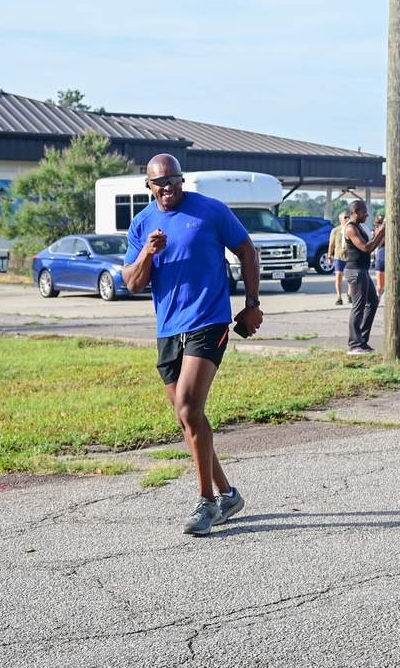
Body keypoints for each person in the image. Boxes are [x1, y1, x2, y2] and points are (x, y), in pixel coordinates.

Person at [122, 154, 263, 536]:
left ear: (183, 180)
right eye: (159, 182)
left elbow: (248, 252)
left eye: (173, 180)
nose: (167, 187)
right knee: (188, 417)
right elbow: (132, 283)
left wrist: (252, 305)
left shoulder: (211, 211)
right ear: (148, 187)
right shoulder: (141, 224)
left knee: (187, 407)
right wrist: (147, 253)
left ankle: (206, 504)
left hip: (209, 321)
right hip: (168, 328)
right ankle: (229, 494)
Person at [343, 200, 385, 354]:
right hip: (355, 271)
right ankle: (354, 344)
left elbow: (372, 241)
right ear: (355, 212)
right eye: (363, 212)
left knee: (372, 303)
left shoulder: (361, 226)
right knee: (358, 307)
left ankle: (362, 340)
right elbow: (366, 248)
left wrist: (381, 231)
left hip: (363, 270)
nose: (366, 214)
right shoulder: (350, 229)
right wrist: (382, 232)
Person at [327, 212, 350, 305]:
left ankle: (350, 294)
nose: (347, 219)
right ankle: (339, 297)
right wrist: (329, 256)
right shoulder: (335, 230)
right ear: (341, 219)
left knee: (350, 277)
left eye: (349, 217)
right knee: (338, 276)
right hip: (338, 257)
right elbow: (331, 244)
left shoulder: (351, 229)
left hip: (349, 257)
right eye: (345, 217)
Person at [373, 215, 386, 294]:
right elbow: (379, 244)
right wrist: (383, 234)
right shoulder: (377, 230)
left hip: (390, 258)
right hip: (381, 257)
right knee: (380, 285)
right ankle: (377, 297)